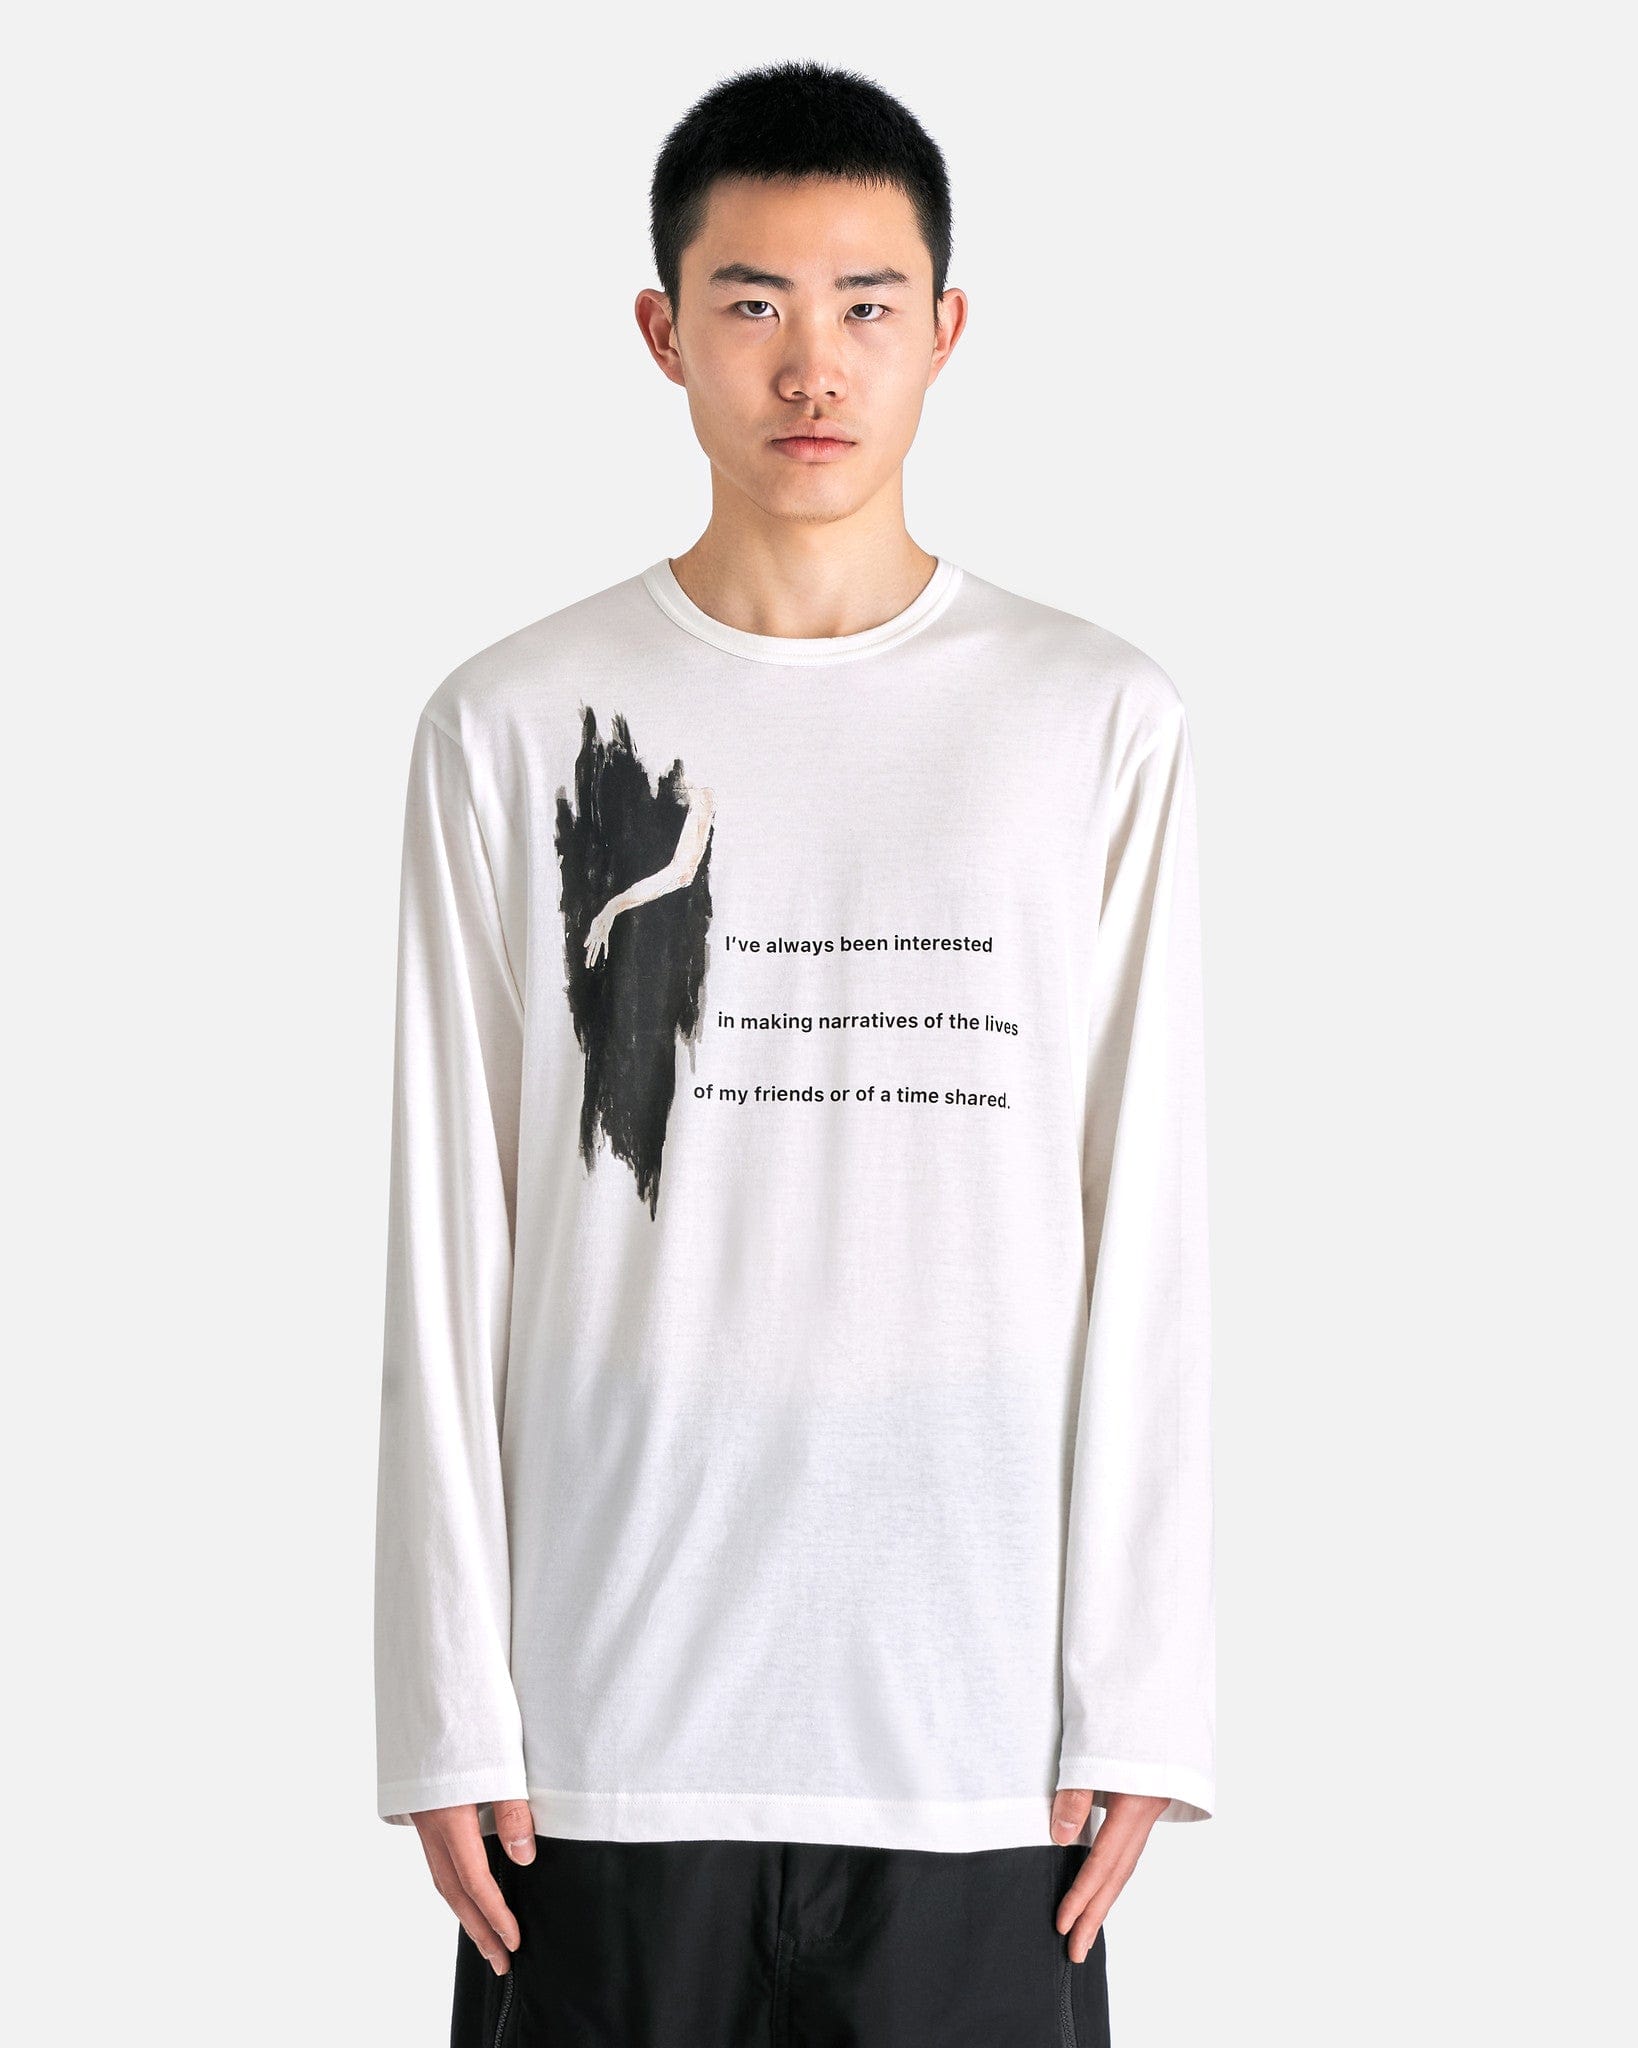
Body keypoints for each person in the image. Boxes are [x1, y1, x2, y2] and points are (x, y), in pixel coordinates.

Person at [374, 58, 1215, 2048]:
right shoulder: (515, 721)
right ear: (662, 331)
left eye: (864, 303)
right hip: (602, 1741)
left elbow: (1150, 1216)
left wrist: (1143, 1697)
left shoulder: (1091, 719)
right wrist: (443, 1703)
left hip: (978, 1749)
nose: (810, 364)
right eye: (750, 302)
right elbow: (447, 1230)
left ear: (947, 328)